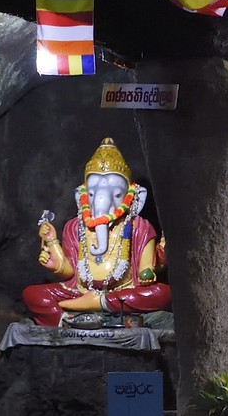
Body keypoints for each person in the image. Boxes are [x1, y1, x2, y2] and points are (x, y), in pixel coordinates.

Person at [23, 137, 170, 326]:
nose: (102, 201)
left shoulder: (139, 227)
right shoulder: (75, 226)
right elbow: (71, 271)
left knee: (162, 294)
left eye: (116, 194)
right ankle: (66, 319)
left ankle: (92, 305)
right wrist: (53, 250)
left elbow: (145, 273)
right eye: (92, 194)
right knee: (33, 294)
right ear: (81, 196)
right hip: (80, 290)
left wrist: (150, 270)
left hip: (122, 290)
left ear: (134, 197)